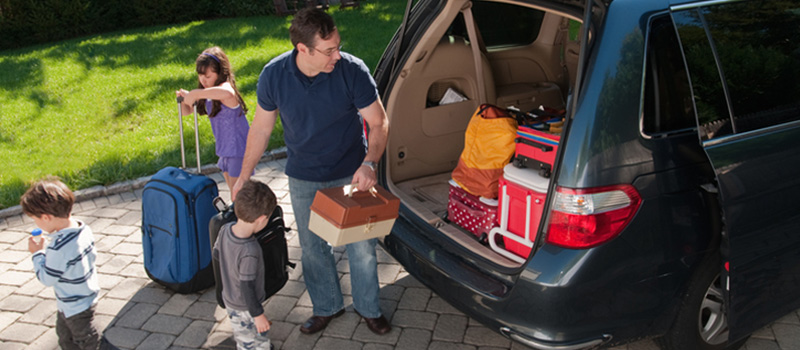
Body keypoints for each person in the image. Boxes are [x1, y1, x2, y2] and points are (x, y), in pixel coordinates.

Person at [231, 7, 391, 335]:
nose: (337, 54)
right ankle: (327, 306)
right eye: (329, 50)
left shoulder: (351, 71)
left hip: (352, 172)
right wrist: (244, 176)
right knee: (314, 247)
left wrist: (369, 163)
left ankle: (369, 308)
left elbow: (379, 122)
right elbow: (260, 130)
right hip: (304, 174)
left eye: (338, 45)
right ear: (303, 49)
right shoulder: (274, 76)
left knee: (362, 248)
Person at [21, 178, 102, 350]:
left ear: (46, 217)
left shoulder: (59, 248)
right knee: (65, 337)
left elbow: (47, 278)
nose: (36, 223)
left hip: (75, 304)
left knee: (86, 340)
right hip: (82, 295)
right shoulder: (82, 228)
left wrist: (37, 254)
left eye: (35, 219)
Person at [213, 179, 277, 350]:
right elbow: (247, 287)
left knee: (252, 334)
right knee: (247, 341)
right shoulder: (250, 249)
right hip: (245, 306)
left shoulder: (225, 229)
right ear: (262, 219)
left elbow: (217, 254)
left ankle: (262, 345)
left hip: (231, 298)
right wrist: (258, 315)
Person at [177, 46, 251, 190]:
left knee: (239, 193)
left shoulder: (225, 89)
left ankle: (246, 212)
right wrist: (184, 99)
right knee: (234, 191)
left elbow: (228, 93)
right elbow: (187, 111)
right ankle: (237, 211)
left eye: (208, 76)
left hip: (238, 148)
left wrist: (196, 93)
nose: (203, 80)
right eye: (200, 75)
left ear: (220, 73)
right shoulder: (208, 94)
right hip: (225, 149)